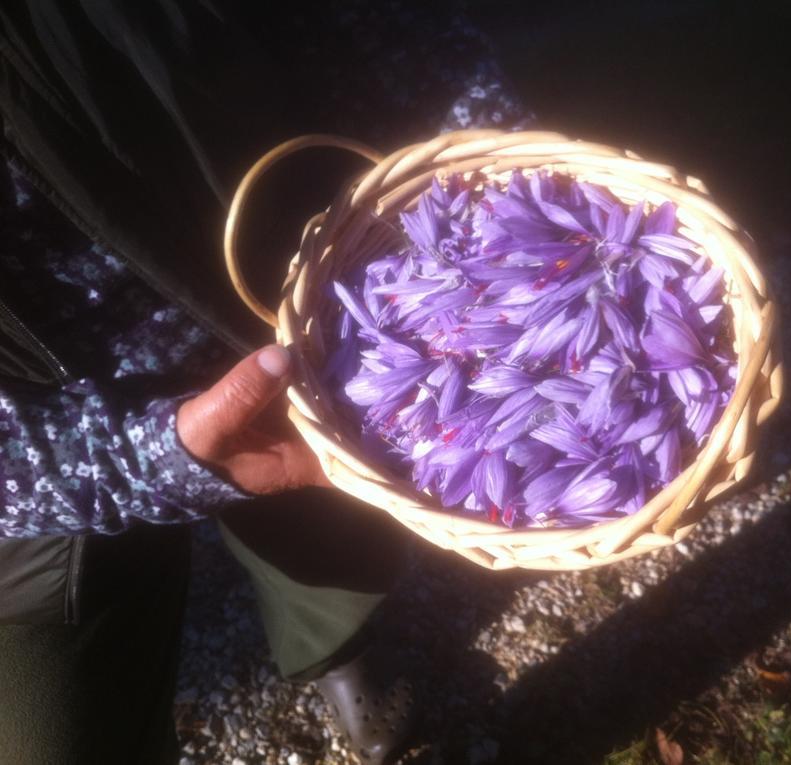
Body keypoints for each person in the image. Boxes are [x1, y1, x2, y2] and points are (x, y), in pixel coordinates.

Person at [0, 2, 529, 763]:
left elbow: (387, 27)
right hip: (40, 447)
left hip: (287, 285)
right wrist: (156, 458)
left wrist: (492, 156)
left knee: (328, 511)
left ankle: (333, 639)